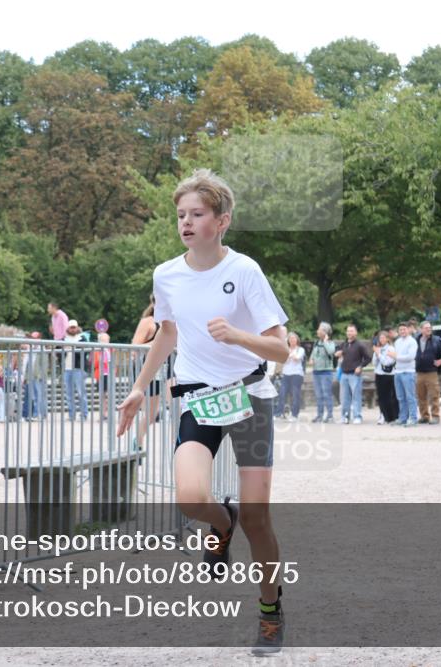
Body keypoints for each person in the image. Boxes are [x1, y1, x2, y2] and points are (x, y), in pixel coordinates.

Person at [115, 169, 290, 655]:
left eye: (196, 214)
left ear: (222, 221)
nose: (186, 223)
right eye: (180, 216)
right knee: (191, 498)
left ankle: (271, 610)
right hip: (198, 396)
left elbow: (280, 350)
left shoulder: (245, 272)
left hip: (250, 398)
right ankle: (220, 521)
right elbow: (167, 335)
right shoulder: (166, 274)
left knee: (259, 520)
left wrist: (238, 336)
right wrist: (139, 388)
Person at [336, 324, 371, 424]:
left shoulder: (360, 345)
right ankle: (345, 416)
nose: (349, 333)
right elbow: (337, 351)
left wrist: (360, 366)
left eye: (351, 331)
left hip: (354, 375)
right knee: (344, 397)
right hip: (344, 374)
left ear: (356, 332)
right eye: (348, 331)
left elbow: (368, 358)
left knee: (356, 396)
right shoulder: (344, 344)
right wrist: (337, 353)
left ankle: (357, 416)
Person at [414, 321, 441, 424]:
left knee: (434, 395)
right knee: (421, 396)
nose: (429, 329)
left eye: (430, 328)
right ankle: (424, 416)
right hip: (419, 372)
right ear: (421, 329)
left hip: (432, 372)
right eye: (426, 328)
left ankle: (435, 416)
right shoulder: (415, 340)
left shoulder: (436, 340)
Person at [389, 322, 417, 426]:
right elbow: (394, 356)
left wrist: (396, 356)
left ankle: (413, 418)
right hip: (398, 372)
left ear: (408, 330)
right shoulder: (397, 342)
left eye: (404, 329)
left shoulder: (412, 341)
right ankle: (403, 418)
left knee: (410, 397)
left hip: (408, 372)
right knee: (400, 397)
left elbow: (410, 357)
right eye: (400, 330)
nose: (402, 331)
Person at [309, 322, 336, 423]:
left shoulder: (330, 343)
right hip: (316, 372)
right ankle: (319, 415)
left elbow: (330, 351)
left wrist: (325, 341)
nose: (317, 331)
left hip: (326, 372)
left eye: (319, 329)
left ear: (325, 332)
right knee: (318, 395)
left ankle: (329, 415)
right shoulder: (316, 343)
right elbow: (312, 354)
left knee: (326, 394)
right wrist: (311, 359)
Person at [275, 332, 305, 421]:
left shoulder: (301, 349)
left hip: (297, 374)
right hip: (286, 374)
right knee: (282, 394)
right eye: (290, 339)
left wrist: (290, 355)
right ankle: (278, 413)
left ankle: (294, 415)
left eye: (294, 338)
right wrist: (290, 355)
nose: (292, 340)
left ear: (297, 340)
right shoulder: (286, 349)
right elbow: (283, 360)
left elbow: (297, 358)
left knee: (295, 394)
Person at [64, 319, 89, 423]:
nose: (73, 329)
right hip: (67, 368)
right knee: (69, 394)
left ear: (77, 327)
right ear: (68, 328)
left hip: (78, 368)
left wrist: (73, 347)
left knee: (80, 392)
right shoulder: (64, 339)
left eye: (74, 327)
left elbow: (84, 352)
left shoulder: (82, 339)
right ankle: (71, 414)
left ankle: (84, 413)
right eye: (71, 327)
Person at [373, 330, 399, 425]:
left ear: (387, 339)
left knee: (389, 397)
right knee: (381, 397)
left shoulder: (391, 349)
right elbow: (374, 363)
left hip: (388, 375)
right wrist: (376, 354)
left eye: (384, 338)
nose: (382, 339)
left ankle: (391, 416)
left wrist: (379, 354)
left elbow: (387, 362)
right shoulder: (378, 348)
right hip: (379, 374)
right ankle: (382, 414)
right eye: (380, 338)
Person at [92, 332, 112, 420]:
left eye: (106, 340)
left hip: (107, 375)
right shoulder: (98, 351)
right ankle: (103, 414)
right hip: (100, 375)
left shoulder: (109, 350)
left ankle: (107, 413)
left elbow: (110, 363)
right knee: (102, 396)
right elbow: (95, 363)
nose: (105, 342)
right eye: (103, 340)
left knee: (108, 395)